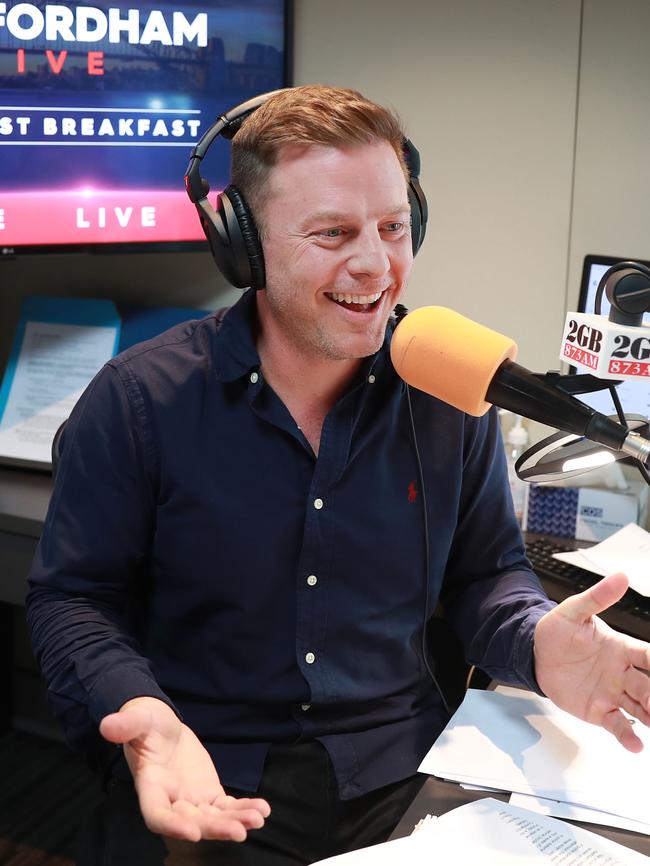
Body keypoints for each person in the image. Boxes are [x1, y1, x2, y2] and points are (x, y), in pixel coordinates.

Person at [26, 85, 650, 866]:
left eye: (394, 227)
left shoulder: (450, 392)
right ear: (243, 246)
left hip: (406, 779)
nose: (376, 264)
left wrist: (533, 640)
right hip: (206, 771)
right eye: (332, 234)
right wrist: (138, 706)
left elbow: (485, 574)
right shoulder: (139, 403)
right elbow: (73, 597)